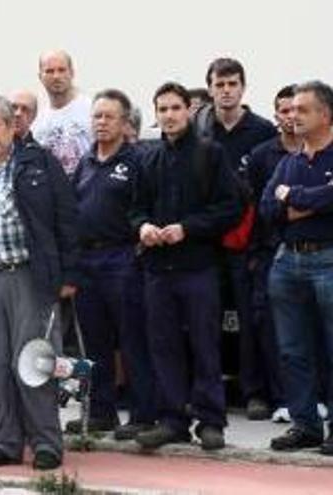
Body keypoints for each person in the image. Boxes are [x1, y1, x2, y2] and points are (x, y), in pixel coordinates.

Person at [0, 95, 77, 471]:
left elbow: (67, 218)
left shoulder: (38, 164)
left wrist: (69, 276)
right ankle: (6, 441)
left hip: (29, 277)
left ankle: (46, 443)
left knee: (34, 364)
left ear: (11, 128)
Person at [131, 82, 242, 451]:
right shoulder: (148, 158)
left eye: (175, 108)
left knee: (204, 345)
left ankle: (211, 421)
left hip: (198, 267)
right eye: (162, 109)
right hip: (158, 271)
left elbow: (231, 207)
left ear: (189, 110)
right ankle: (172, 419)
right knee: (163, 347)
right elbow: (135, 208)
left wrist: (187, 229)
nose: (169, 115)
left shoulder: (211, 154)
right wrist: (143, 227)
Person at [194, 58, 279, 420]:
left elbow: (267, 193)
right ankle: (207, 391)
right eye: (219, 84)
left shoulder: (261, 132)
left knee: (249, 319)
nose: (226, 90)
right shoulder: (199, 130)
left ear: (243, 87)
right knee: (204, 319)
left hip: (246, 243)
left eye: (232, 84)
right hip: (206, 242)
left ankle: (254, 391)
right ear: (210, 88)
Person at [70, 89, 156, 440]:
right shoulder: (85, 162)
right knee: (94, 342)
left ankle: (142, 413)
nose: (101, 122)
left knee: (132, 338)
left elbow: (145, 208)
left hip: (121, 257)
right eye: (97, 116)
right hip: (86, 261)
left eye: (109, 117)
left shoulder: (137, 162)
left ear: (124, 123)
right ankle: (102, 412)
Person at [262, 81, 333, 455]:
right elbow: (267, 209)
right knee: (292, 349)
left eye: (303, 110)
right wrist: (312, 202)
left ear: (326, 115)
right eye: (290, 110)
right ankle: (305, 425)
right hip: (287, 260)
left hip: (329, 258)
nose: (293, 116)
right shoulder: (288, 162)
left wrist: (293, 198)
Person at [246, 85, 301, 424]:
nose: (291, 116)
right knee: (272, 328)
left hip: (315, 252)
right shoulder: (262, 155)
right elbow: (261, 207)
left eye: (296, 109)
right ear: (276, 115)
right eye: (283, 110)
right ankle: (281, 398)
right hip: (269, 252)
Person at [32, 50, 92, 176]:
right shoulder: (37, 122)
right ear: (40, 77)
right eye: (49, 71)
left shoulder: (92, 110)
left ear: (72, 73)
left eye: (61, 70)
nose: (56, 76)